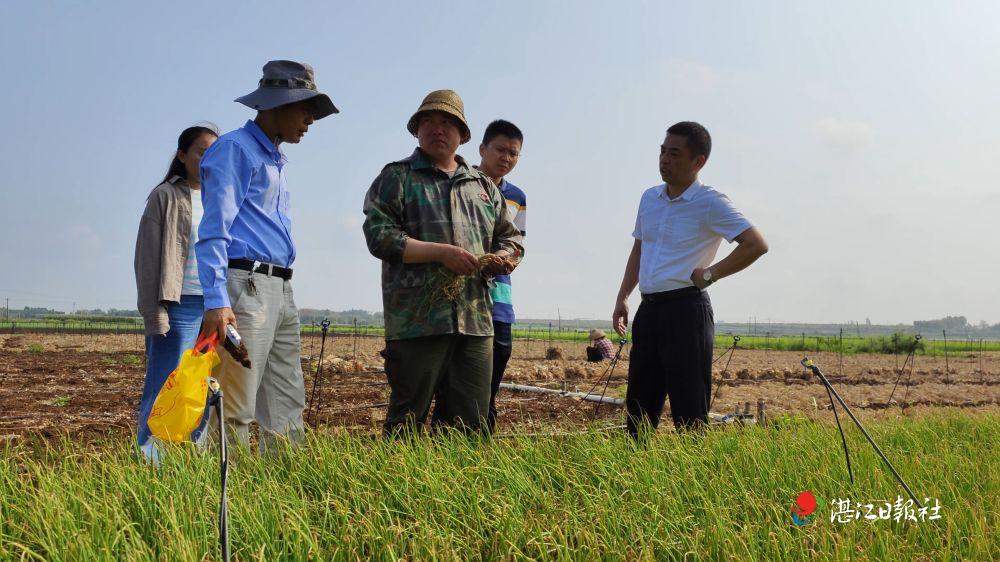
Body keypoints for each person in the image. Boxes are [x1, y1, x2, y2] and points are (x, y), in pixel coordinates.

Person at [363, 90, 524, 435]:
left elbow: (511, 236)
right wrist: (441, 253)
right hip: (417, 322)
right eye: (429, 121)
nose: (438, 129)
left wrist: (505, 258)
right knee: (407, 419)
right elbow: (379, 235)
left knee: (470, 422)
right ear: (417, 130)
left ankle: (460, 487)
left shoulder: (482, 186)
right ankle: (398, 483)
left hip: (476, 321)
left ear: (462, 134)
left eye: (447, 123)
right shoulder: (397, 178)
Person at [197, 60, 338, 452]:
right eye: (305, 108)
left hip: (279, 288)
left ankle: (280, 492)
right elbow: (213, 231)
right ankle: (226, 497)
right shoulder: (234, 151)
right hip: (246, 287)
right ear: (277, 104)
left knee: (287, 400)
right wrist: (216, 300)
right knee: (236, 402)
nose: (310, 120)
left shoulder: (276, 160)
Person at [612, 121, 768, 436]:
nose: (664, 160)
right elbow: (639, 250)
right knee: (640, 405)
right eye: (662, 152)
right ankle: (637, 472)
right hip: (649, 309)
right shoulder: (649, 198)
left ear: (698, 162)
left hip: (686, 310)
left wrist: (711, 274)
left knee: (689, 407)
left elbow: (756, 244)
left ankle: (692, 474)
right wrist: (623, 297)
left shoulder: (710, 202)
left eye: (674, 154)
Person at [432, 119, 526, 433]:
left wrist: (506, 259)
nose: (506, 158)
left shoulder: (516, 197)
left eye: (514, 153)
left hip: (498, 297)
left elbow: (515, 243)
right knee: (452, 381)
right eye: (500, 150)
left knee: (495, 367)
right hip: (460, 295)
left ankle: (480, 443)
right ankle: (445, 439)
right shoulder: (458, 183)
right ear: (482, 149)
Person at [134, 124, 219, 462]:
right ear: (182, 156)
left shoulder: (220, 197)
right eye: (201, 151)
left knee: (200, 383)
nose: (208, 159)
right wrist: (155, 311)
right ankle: (149, 456)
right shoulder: (164, 196)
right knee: (164, 381)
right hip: (179, 304)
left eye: (214, 152)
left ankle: (192, 453)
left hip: (213, 305)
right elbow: (147, 259)